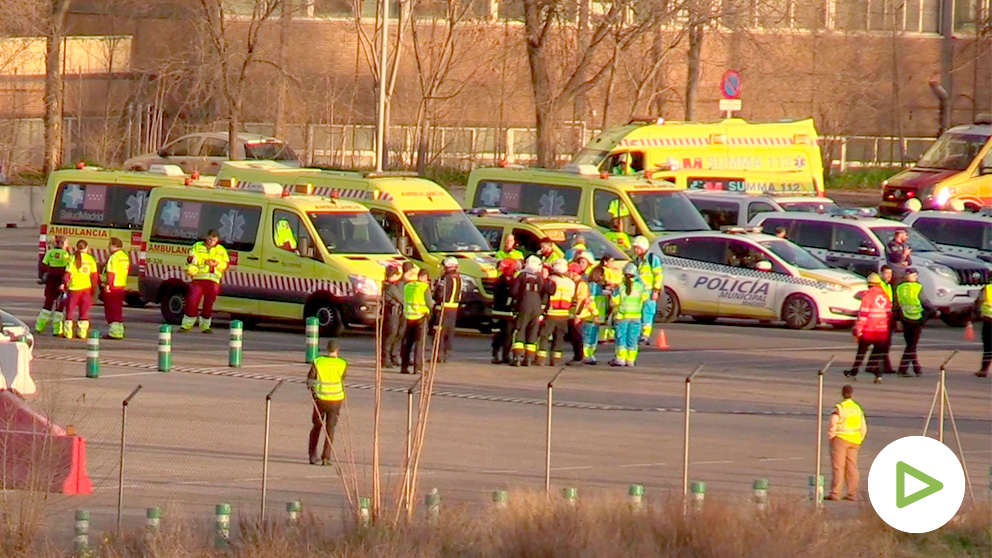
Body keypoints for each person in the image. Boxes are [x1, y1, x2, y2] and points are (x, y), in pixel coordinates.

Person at [844, 273, 892, 384]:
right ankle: (878, 375)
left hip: (868, 331)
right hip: (881, 331)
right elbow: (889, 315)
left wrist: (858, 330)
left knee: (861, 353)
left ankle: (854, 373)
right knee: (878, 355)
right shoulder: (885, 296)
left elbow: (863, 315)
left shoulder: (867, 296)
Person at [307, 339, 346, 466]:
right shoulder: (342, 363)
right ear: (337, 350)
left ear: (327, 349)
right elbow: (343, 378)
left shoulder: (318, 362)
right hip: (336, 400)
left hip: (320, 399)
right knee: (330, 429)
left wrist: (313, 393)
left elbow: (310, 380)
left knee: (316, 427)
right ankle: (326, 457)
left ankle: (313, 455)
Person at [181, 230, 229, 333]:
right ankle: (186, 325)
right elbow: (190, 260)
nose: (212, 241)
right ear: (206, 237)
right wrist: (203, 262)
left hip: (213, 280)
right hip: (199, 278)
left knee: (209, 304)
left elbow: (226, 264)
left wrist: (216, 264)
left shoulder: (222, 250)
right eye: (210, 239)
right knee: (192, 301)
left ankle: (205, 326)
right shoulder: (197, 246)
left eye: (214, 239)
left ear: (218, 240)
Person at [826, 385, 867, 501]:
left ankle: (835, 493)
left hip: (841, 438)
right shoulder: (857, 408)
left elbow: (833, 422)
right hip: (854, 440)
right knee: (852, 467)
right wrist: (860, 438)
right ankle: (852, 493)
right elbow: (863, 426)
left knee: (838, 467)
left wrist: (831, 435)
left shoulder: (840, 407)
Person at [511, 256, 553, 366]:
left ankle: (517, 357)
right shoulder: (539, 278)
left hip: (524, 305)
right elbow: (549, 290)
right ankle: (528, 358)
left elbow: (514, 291)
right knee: (533, 331)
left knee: (521, 329)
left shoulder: (522, 276)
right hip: (537, 306)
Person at [536, 259, 575, 366]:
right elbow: (572, 298)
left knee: (544, 336)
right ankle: (556, 360)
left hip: (551, 313)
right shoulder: (571, 283)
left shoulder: (550, 280)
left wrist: (541, 312)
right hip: (564, 314)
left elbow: (545, 296)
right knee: (559, 338)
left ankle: (540, 358)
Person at [894, 268, 930, 377]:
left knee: (910, 345)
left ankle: (916, 367)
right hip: (916, 319)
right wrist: (931, 312)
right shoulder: (917, 287)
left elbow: (897, 305)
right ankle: (903, 369)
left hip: (905, 317)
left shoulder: (899, 287)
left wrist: (898, 319)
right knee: (911, 345)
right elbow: (925, 302)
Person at [610, 263, 647, 367]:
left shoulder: (620, 287)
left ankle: (620, 358)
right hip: (636, 316)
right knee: (632, 338)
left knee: (621, 337)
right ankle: (630, 359)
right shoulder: (640, 287)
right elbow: (645, 297)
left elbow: (614, 301)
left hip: (622, 316)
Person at [62, 240, 100, 340]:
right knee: (84, 312)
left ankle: (68, 333)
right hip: (86, 289)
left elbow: (68, 274)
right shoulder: (90, 259)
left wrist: (64, 284)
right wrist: (94, 287)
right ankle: (82, 333)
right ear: (87, 248)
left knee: (70, 311)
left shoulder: (73, 258)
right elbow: (94, 275)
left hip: (74, 288)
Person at [631, 236, 664, 344]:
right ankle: (639, 334)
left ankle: (645, 335)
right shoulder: (637, 260)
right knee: (638, 314)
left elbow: (658, 275)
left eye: (637, 248)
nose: (635, 250)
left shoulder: (652, 258)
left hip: (649, 291)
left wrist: (656, 290)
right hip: (639, 292)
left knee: (648, 313)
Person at [35, 236, 70, 336]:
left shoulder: (50, 253)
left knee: (48, 303)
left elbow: (44, 264)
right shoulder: (66, 254)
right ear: (63, 244)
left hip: (51, 279)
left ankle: (39, 327)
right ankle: (57, 330)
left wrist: (43, 277)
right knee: (60, 306)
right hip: (60, 279)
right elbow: (68, 267)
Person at [401, 268, 433, 374]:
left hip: (408, 317)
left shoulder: (407, 286)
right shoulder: (424, 287)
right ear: (423, 277)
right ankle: (417, 367)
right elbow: (429, 303)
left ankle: (404, 367)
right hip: (420, 317)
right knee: (419, 344)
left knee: (407, 343)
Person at [433, 257, 462, 363]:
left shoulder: (445, 278)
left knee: (439, 331)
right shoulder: (458, 277)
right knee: (449, 332)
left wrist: (435, 297)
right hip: (454, 308)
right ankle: (446, 353)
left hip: (443, 307)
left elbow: (440, 292)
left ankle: (438, 354)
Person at [491, 258, 519, 364]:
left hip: (499, 312)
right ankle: (503, 355)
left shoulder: (499, 280)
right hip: (506, 312)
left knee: (500, 334)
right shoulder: (509, 281)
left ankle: (497, 355)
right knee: (506, 335)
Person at [103, 237, 130, 340]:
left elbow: (111, 272)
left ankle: (113, 332)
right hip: (121, 285)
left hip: (113, 286)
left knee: (111, 309)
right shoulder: (124, 256)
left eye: (109, 244)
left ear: (113, 245)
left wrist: (108, 285)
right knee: (118, 309)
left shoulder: (113, 257)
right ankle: (119, 331)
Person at [580, 266, 607, 365]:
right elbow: (590, 301)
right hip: (591, 315)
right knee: (589, 335)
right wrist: (595, 314)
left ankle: (590, 354)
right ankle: (586, 355)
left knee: (594, 336)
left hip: (597, 315)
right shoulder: (592, 286)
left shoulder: (598, 286)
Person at [380, 265, 404, 368]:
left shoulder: (386, 285)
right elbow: (400, 299)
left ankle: (388, 358)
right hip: (392, 313)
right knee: (391, 335)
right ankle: (386, 359)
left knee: (390, 335)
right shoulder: (391, 287)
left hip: (390, 312)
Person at [566, 263, 587, 365]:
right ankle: (576, 356)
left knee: (577, 336)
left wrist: (577, 315)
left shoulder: (581, 284)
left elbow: (581, 300)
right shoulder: (573, 282)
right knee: (573, 336)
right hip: (572, 313)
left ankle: (579, 357)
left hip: (578, 314)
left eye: (569, 271)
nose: (568, 273)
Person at [879, 265, 896, 375]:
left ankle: (872, 364)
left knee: (883, 344)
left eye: (890, 274)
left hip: (888, 317)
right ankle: (886, 366)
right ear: (881, 273)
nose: (888, 276)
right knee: (883, 343)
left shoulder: (889, 285)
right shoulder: (880, 285)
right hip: (881, 317)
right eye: (886, 273)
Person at [973, 281, 992, 378]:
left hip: (989, 320)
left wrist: (976, 314)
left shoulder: (988, 289)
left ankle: (984, 369)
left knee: (988, 346)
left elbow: (979, 302)